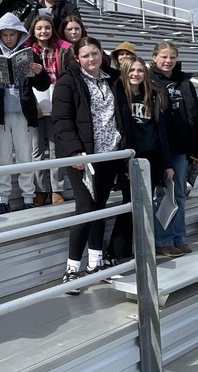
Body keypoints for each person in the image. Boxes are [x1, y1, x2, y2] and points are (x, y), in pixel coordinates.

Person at [51, 36, 135, 293]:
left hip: (109, 154)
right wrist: (75, 151)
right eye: (86, 55)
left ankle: (95, 265)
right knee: (86, 208)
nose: (91, 59)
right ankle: (72, 270)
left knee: (99, 208)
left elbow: (123, 118)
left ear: (102, 54)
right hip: (82, 157)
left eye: (95, 54)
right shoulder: (68, 81)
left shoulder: (113, 80)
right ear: (77, 58)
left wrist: (125, 157)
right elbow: (61, 120)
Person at [149, 41, 198, 256]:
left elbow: (195, 114)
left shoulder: (184, 81)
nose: (168, 61)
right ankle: (163, 239)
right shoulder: (149, 80)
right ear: (154, 57)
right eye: (163, 56)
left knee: (180, 193)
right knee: (163, 194)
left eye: (172, 57)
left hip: (181, 146)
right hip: (159, 147)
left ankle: (179, 236)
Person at [112, 57, 173, 262]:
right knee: (129, 202)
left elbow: (162, 132)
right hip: (130, 157)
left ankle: (141, 248)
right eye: (132, 70)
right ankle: (118, 251)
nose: (136, 74)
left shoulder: (152, 96)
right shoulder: (118, 95)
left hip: (152, 156)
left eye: (140, 70)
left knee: (146, 204)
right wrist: (123, 163)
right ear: (125, 72)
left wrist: (167, 163)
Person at [0, 12, 45, 215]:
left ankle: (28, 197)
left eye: (13, 34)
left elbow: (44, 85)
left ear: (20, 34)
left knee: (24, 156)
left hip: (23, 113)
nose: (9, 39)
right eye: (5, 35)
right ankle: (4, 199)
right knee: (2, 158)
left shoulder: (29, 53)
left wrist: (40, 73)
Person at [27, 15, 72, 206]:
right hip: (36, 102)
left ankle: (57, 188)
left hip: (58, 101)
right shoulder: (27, 51)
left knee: (56, 148)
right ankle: (40, 189)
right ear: (33, 31)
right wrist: (32, 103)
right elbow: (25, 81)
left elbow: (68, 75)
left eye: (47, 27)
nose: (43, 31)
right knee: (37, 149)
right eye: (39, 28)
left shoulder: (63, 49)